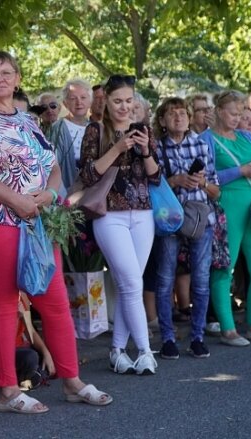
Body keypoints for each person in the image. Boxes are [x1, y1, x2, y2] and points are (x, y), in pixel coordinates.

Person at [0, 51, 112, 414]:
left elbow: (52, 166)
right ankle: (7, 391)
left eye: (7, 71)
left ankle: (72, 380)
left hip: (37, 222)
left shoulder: (27, 120)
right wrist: (16, 200)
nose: (0, 78)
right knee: (3, 305)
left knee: (55, 302)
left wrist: (51, 194)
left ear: (18, 78)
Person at [79, 74, 160, 375]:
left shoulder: (144, 131)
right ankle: (145, 352)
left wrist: (145, 150)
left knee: (130, 286)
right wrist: (117, 148)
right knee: (132, 284)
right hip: (108, 214)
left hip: (143, 214)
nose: (124, 107)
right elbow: (88, 175)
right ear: (106, 103)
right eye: (117, 101)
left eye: (129, 100)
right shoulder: (95, 130)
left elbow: (155, 177)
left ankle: (116, 350)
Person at [198, 90, 251, 346]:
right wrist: (240, 170)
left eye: (241, 114)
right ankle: (227, 328)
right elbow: (206, 178)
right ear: (219, 112)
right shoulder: (206, 140)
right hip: (226, 207)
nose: (238, 119)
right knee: (225, 266)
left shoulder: (247, 137)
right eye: (233, 114)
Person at [151, 97, 219, 360]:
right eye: (172, 114)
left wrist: (201, 184)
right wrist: (175, 180)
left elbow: (216, 191)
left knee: (201, 280)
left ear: (190, 118)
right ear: (162, 121)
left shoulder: (202, 145)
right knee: (165, 277)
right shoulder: (156, 148)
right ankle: (167, 338)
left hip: (199, 218)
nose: (179, 117)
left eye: (183, 113)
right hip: (168, 219)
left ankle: (197, 337)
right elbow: (150, 186)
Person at [49, 78, 92, 193]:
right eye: (73, 98)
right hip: (65, 193)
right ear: (65, 103)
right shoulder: (58, 128)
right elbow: (53, 166)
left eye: (83, 97)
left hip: (91, 193)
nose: (79, 102)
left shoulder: (96, 127)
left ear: (90, 101)